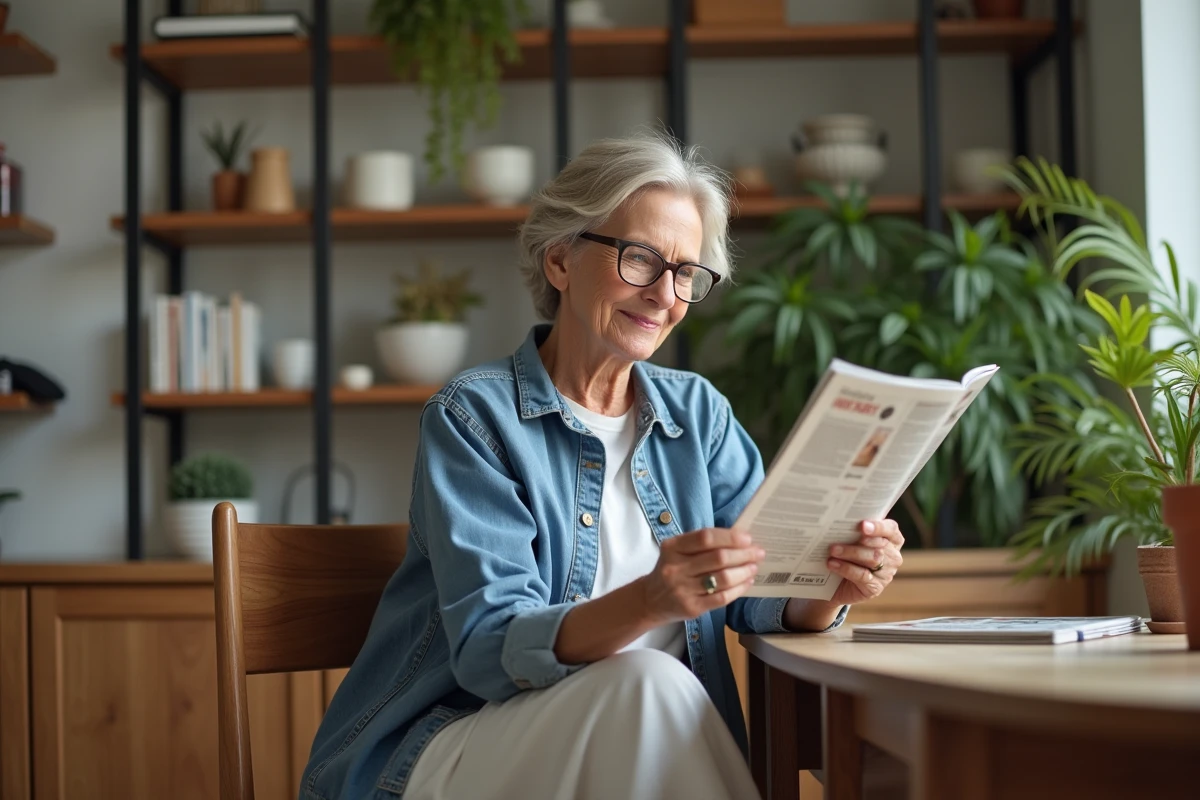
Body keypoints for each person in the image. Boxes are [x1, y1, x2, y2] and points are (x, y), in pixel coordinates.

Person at [299, 132, 905, 800]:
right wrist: (650, 600)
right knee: (647, 678)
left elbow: (762, 592)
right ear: (560, 260)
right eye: (641, 259)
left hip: (642, 757)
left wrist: (831, 588)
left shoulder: (698, 415)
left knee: (650, 687)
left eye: (685, 274)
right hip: (464, 745)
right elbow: (489, 650)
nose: (664, 295)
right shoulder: (474, 417)